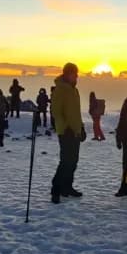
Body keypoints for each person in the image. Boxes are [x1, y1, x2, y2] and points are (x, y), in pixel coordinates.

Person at [50, 63, 84, 203]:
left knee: (73, 161)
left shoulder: (74, 90)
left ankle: (67, 187)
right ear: (67, 74)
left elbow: (76, 113)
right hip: (65, 132)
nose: (76, 76)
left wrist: (80, 128)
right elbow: (56, 111)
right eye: (74, 74)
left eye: (76, 74)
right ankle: (56, 190)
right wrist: (65, 128)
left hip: (75, 131)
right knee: (65, 161)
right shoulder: (60, 89)